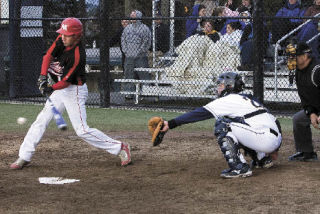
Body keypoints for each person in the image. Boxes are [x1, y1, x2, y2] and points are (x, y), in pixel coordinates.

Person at [10, 17, 132, 170]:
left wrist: (50, 88)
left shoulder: (77, 56)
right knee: (41, 120)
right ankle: (24, 156)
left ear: (77, 36)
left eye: (67, 35)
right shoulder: (62, 40)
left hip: (74, 91)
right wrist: (42, 77)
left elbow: (66, 83)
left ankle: (120, 147)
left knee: (81, 130)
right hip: (59, 89)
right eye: (62, 33)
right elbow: (48, 56)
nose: (62, 37)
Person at [157, 72, 282, 178]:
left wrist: (171, 123)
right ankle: (261, 159)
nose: (218, 88)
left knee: (222, 124)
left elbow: (199, 113)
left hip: (263, 140)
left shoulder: (228, 99)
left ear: (229, 86)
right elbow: (273, 120)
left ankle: (239, 167)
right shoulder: (249, 99)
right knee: (238, 123)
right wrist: (275, 148)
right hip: (272, 139)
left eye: (221, 85)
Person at [287, 42, 320, 161]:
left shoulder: (317, 70)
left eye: (294, 56)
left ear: (305, 56)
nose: (291, 59)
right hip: (316, 107)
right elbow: (305, 98)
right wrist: (311, 113)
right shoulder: (299, 71)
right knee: (299, 119)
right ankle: (307, 152)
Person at [121, 10, 152, 99]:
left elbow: (147, 42)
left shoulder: (144, 28)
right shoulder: (127, 28)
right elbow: (123, 40)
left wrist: (140, 51)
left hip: (141, 56)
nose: (132, 18)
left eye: (134, 16)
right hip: (129, 56)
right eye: (131, 16)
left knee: (143, 74)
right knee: (128, 74)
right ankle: (129, 93)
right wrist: (125, 51)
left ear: (139, 17)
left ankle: (146, 92)